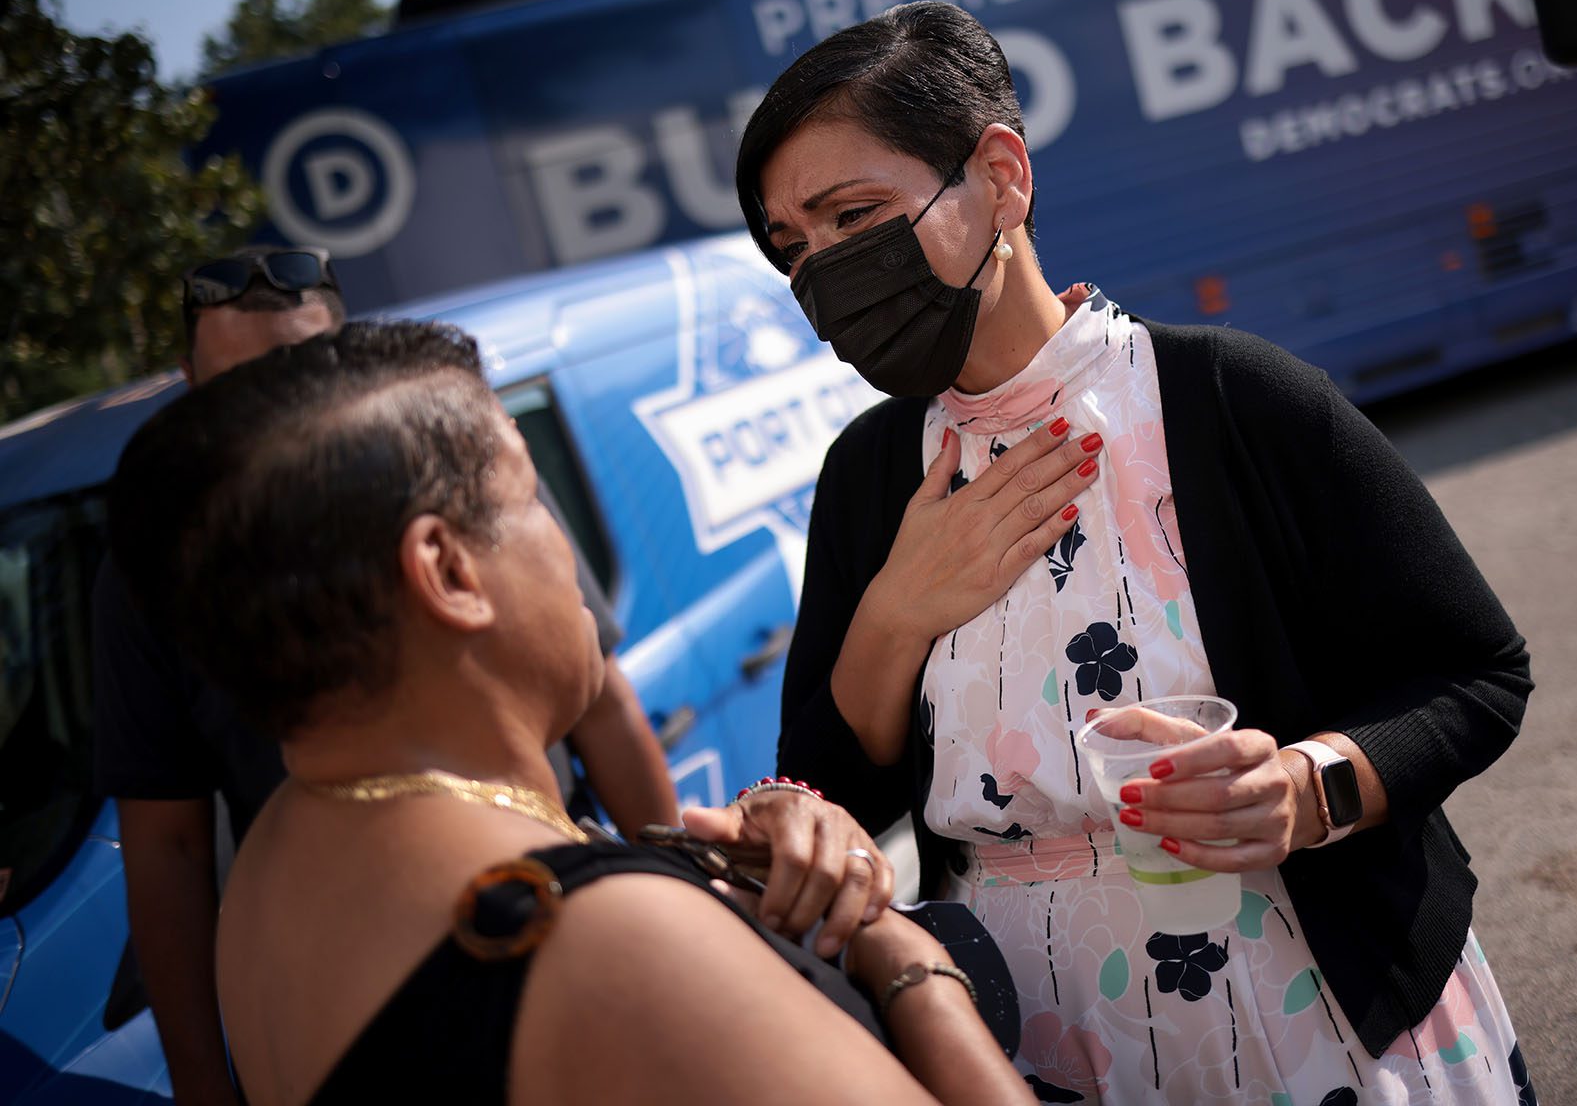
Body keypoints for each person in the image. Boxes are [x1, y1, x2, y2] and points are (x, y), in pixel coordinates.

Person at [738, 1, 1538, 1104]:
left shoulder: (1232, 399)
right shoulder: (870, 475)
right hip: (1025, 1041)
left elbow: (1477, 672)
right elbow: (830, 784)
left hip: (1313, 1014)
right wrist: (895, 612)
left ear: (1002, 178)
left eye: (853, 214)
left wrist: (1313, 788)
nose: (825, 269)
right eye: (795, 246)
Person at [104, 320, 1034, 1106]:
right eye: (526, 494)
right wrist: (894, 952)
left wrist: (702, 879)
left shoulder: (275, 868)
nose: (565, 546)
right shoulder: (602, 939)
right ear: (449, 572)